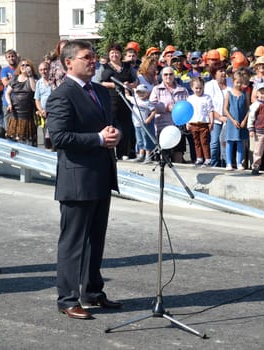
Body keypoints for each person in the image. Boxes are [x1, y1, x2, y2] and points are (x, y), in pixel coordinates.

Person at [45, 40, 122, 320]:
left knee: (95, 240)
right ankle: (67, 299)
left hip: (101, 176)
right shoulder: (61, 95)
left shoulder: (100, 92)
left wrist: (115, 135)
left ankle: (92, 291)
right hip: (77, 180)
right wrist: (99, 139)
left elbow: (109, 127)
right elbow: (60, 137)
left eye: (94, 56)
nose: (93, 61)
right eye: (86, 57)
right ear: (69, 62)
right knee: (73, 243)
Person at [96, 43, 138, 160]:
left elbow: (136, 81)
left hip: (126, 100)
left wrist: (129, 85)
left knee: (126, 127)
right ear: (109, 55)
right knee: (112, 126)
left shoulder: (127, 66)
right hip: (110, 101)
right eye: (112, 53)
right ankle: (110, 153)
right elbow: (99, 82)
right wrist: (114, 85)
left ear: (121, 54)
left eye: (117, 52)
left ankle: (123, 153)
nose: (114, 55)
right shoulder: (104, 67)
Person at [150, 66, 190, 163]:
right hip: (163, 127)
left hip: (179, 127)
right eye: (165, 74)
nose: (168, 76)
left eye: (171, 74)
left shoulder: (183, 90)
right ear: (162, 76)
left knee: (178, 152)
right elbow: (151, 106)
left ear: (174, 75)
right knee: (164, 154)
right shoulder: (156, 89)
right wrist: (166, 108)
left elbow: (188, 106)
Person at [5, 59, 37, 145]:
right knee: (14, 138)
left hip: (27, 114)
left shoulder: (34, 78)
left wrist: (30, 76)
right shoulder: (14, 78)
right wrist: (9, 103)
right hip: (15, 112)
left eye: (27, 65)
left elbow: (34, 89)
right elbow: (7, 93)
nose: (24, 67)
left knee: (27, 139)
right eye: (22, 65)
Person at [204, 61, 230, 167]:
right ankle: (214, 164)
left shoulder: (231, 82)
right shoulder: (209, 86)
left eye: (224, 70)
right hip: (215, 119)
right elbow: (208, 106)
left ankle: (226, 164)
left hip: (229, 120)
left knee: (226, 144)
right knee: (214, 143)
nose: (223, 73)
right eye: (220, 71)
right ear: (214, 73)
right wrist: (220, 117)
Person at [223, 71, 249, 171]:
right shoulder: (229, 94)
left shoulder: (245, 94)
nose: (239, 84)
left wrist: (244, 121)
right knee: (229, 142)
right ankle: (229, 163)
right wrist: (233, 120)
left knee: (240, 143)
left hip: (241, 122)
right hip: (231, 123)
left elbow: (248, 108)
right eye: (237, 82)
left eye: (240, 82)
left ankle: (239, 163)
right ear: (233, 81)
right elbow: (225, 109)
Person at [186, 77, 214, 166]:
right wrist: (187, 122)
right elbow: (188, 111)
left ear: (203, 87)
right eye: (196, 88)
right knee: (196, 142)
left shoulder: (207, 97)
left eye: (200, 88)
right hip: (193, 123)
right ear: (192, 88)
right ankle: (199, 157)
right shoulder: (190, 98)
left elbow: (210, 110)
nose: (198, 90)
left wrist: (211, 122)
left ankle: (207, 158)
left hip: (203, 124)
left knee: (204, 142)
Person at [126, 84, 156, 163]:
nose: (141, 94)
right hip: (136, 124)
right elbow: (127, 96)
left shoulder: (147, 102)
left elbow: (154, 110)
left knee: (146, 139)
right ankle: (141, 155)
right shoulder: (135, 100)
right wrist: (125, 87)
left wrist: (149, 118)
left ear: (147, 93)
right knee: (139, 140)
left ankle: (148, 156)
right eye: (139, 92)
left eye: (143, 92)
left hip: (144, 124)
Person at [34, 61, 53, 149]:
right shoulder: (39, 83)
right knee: (46, 138)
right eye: (41, 70)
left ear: (49, 70)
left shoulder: (54, 81)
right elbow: (37, 99)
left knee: (54, 137)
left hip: (53, 113)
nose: (43, 72)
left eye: (45, 69)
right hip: (44, 114)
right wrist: (41, 110)